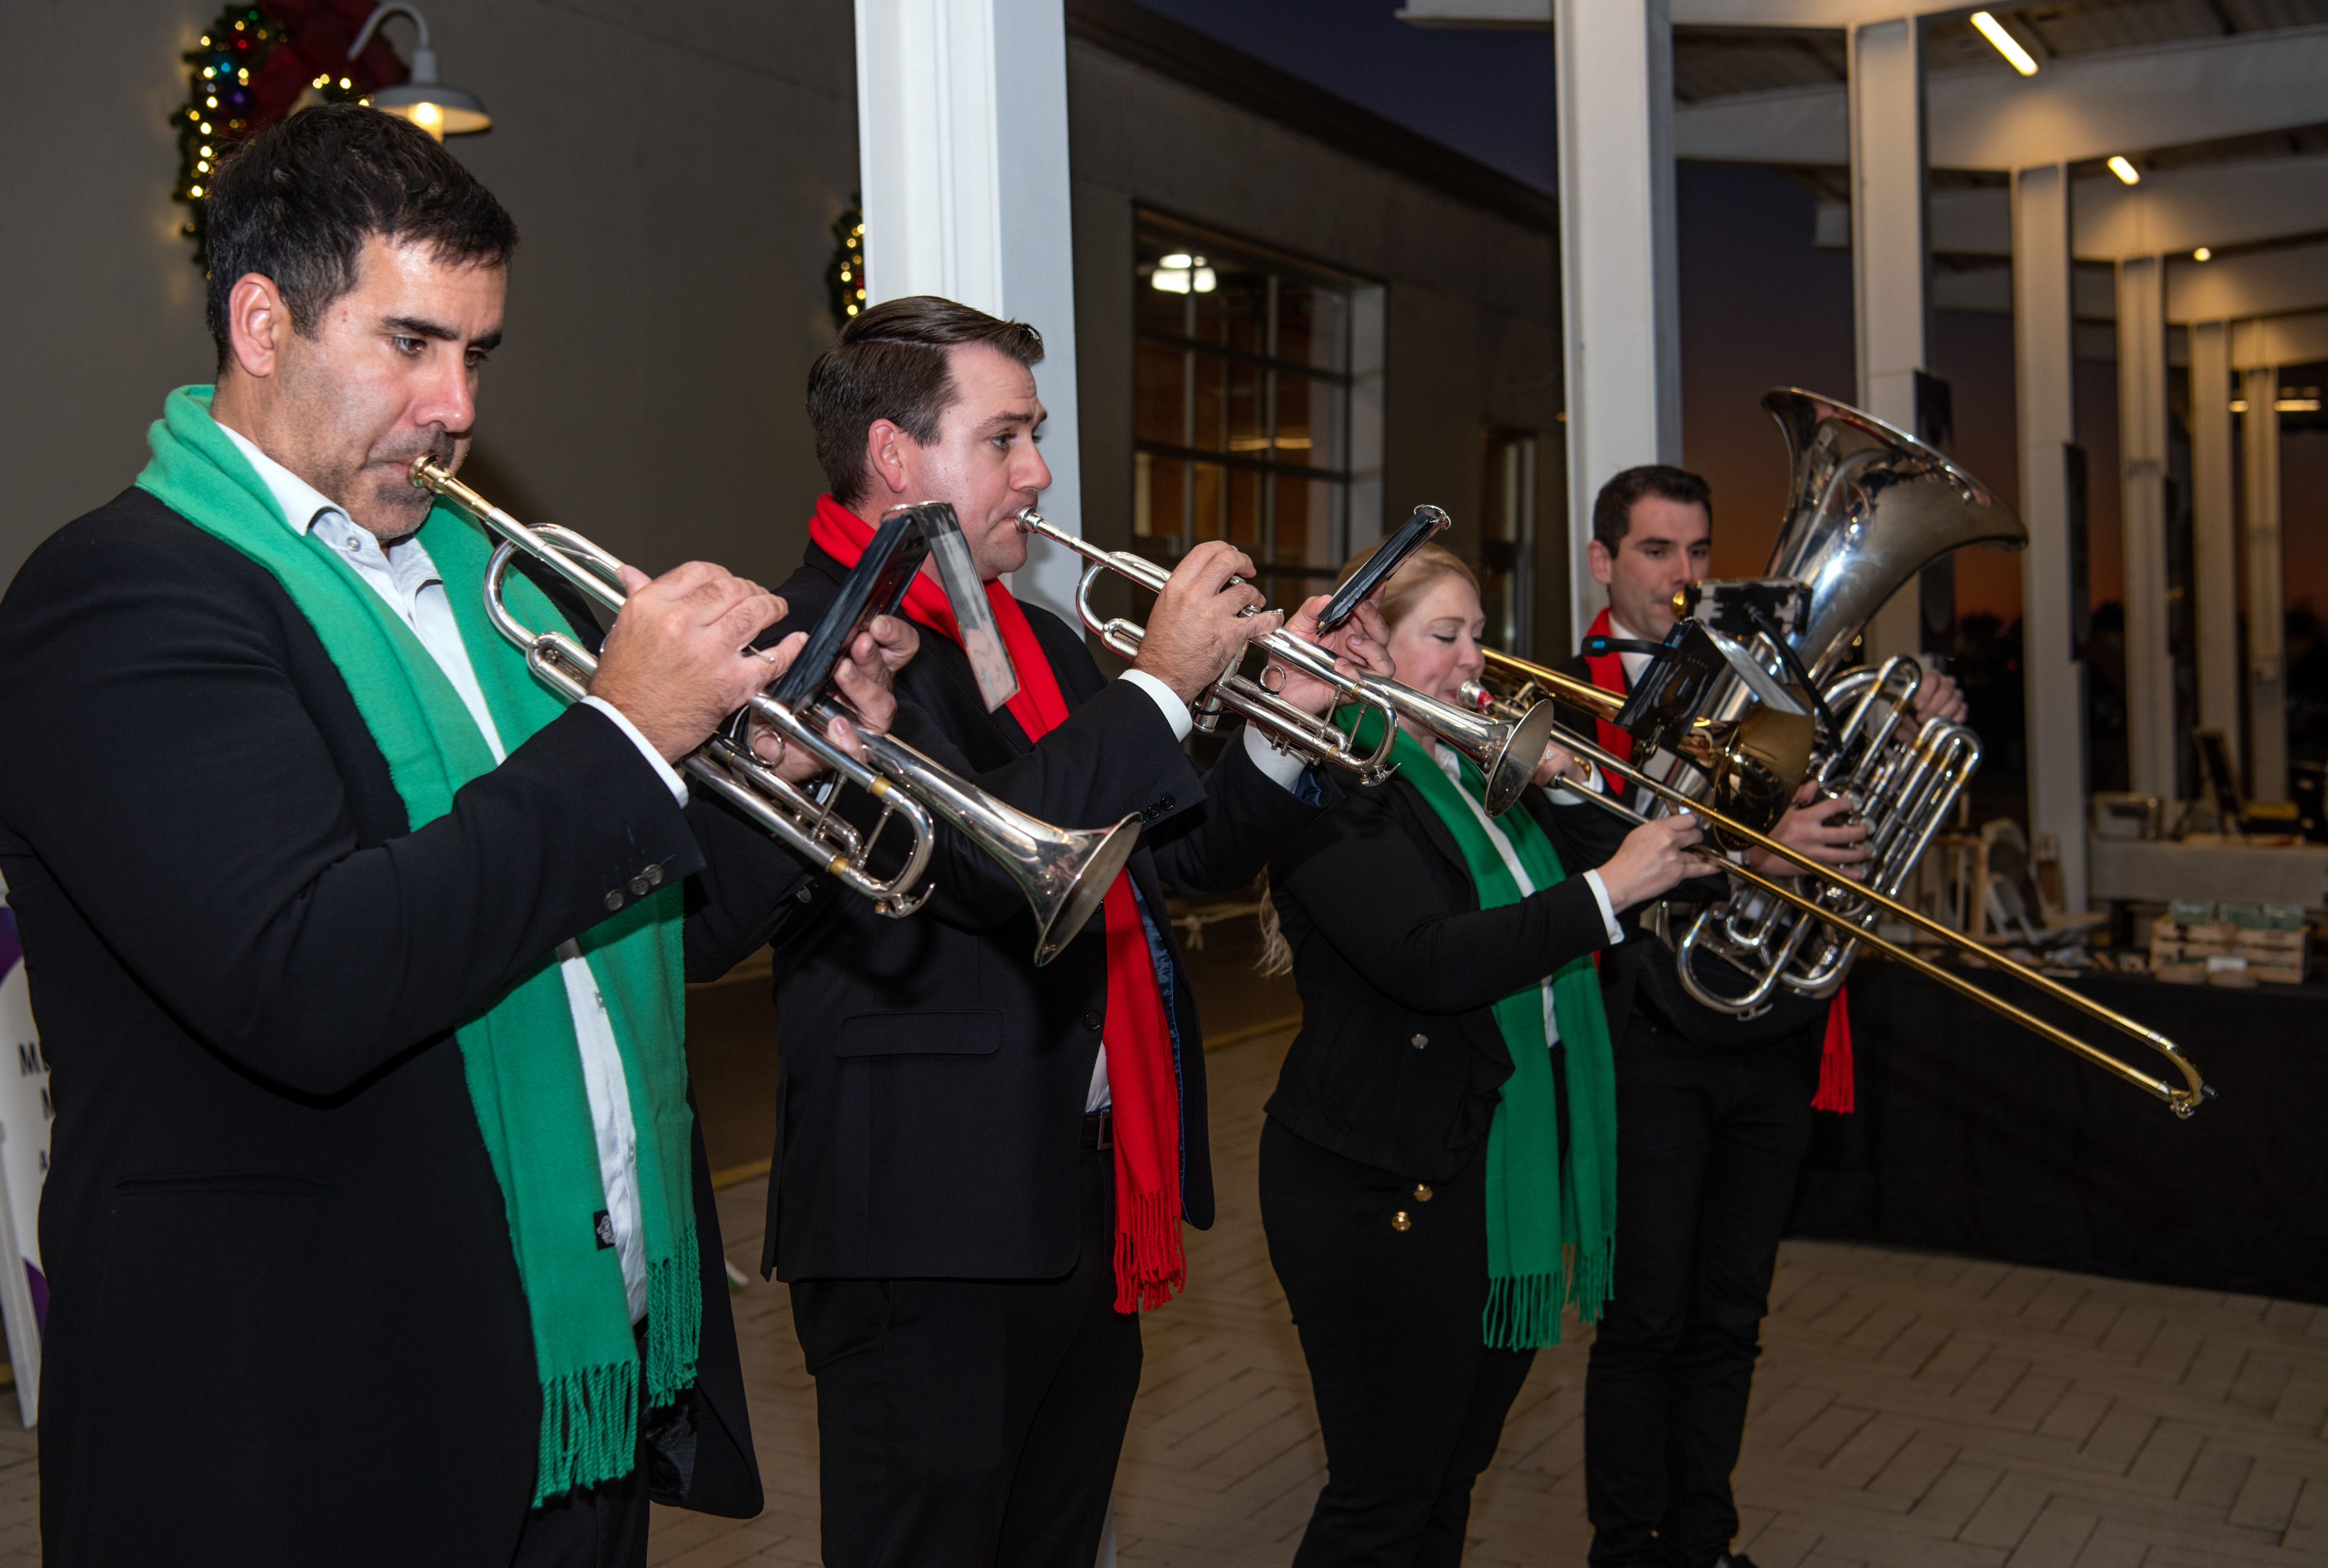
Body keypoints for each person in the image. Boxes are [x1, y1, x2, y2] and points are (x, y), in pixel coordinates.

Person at [0, 105, 904, 1567]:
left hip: (566, 1382)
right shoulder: (120, 599)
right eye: (411, 342)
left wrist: (792, 787)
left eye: (476, 354)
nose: (457, 403)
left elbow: (619, 930)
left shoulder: (489, 586)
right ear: (260, 322)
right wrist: (621, 737)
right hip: (304, 1419)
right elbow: (309, 979)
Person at [757, 295, 1381, 1568]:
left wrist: (1270, 728)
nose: (1037, 474)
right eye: (1005, 438)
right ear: (893, 457)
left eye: (1031, 437)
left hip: (1075, 1196)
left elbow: (1157, 865)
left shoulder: (1030, 637)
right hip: (926, 1221)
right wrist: (1156, 685)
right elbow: (993, 868)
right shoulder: (810, 642)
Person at [1258, 543, 1707, 1567]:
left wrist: (1576, 780)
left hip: (1485, 1170)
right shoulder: (1338, 772)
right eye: (1445, 637)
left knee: (1449, 1478)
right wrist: (1606, 894)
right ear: (1371, 649)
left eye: (1478, 637)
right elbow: (1430, 960)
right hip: (1377, 1185)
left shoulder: (1481, 776)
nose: (1475, 663)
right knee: (1385, 1495)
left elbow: (1646, 859)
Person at [1569, 466, 1966, 1568]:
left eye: (1700, 553)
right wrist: (1753, 848)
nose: (1686, 577)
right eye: (1658, 552)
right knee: (1645, 1315)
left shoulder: (1785, 685)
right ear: (1605, 563)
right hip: (1649, 1039)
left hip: (1769, 1040)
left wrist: (1913, 734)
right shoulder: (1568, 693)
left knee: (1731, 1318)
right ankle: (1626, 1547)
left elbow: (1849, 835)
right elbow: (1589, 865)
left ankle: (1704, 1541)